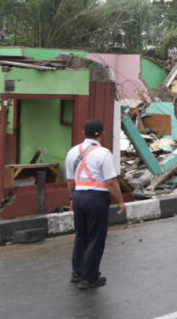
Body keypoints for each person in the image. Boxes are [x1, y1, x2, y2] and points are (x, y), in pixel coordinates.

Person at [64, 120, 125, 289]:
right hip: (96, 198)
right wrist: (120, 202)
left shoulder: (72, 152)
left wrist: (72, 199)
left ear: (84, 132)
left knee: (81, 235)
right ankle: (89, 278)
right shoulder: (104, 153)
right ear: (102, 133)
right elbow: (111, 182)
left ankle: (77, 272)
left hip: (78, 196)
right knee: (96, 238)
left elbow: (70, 181)